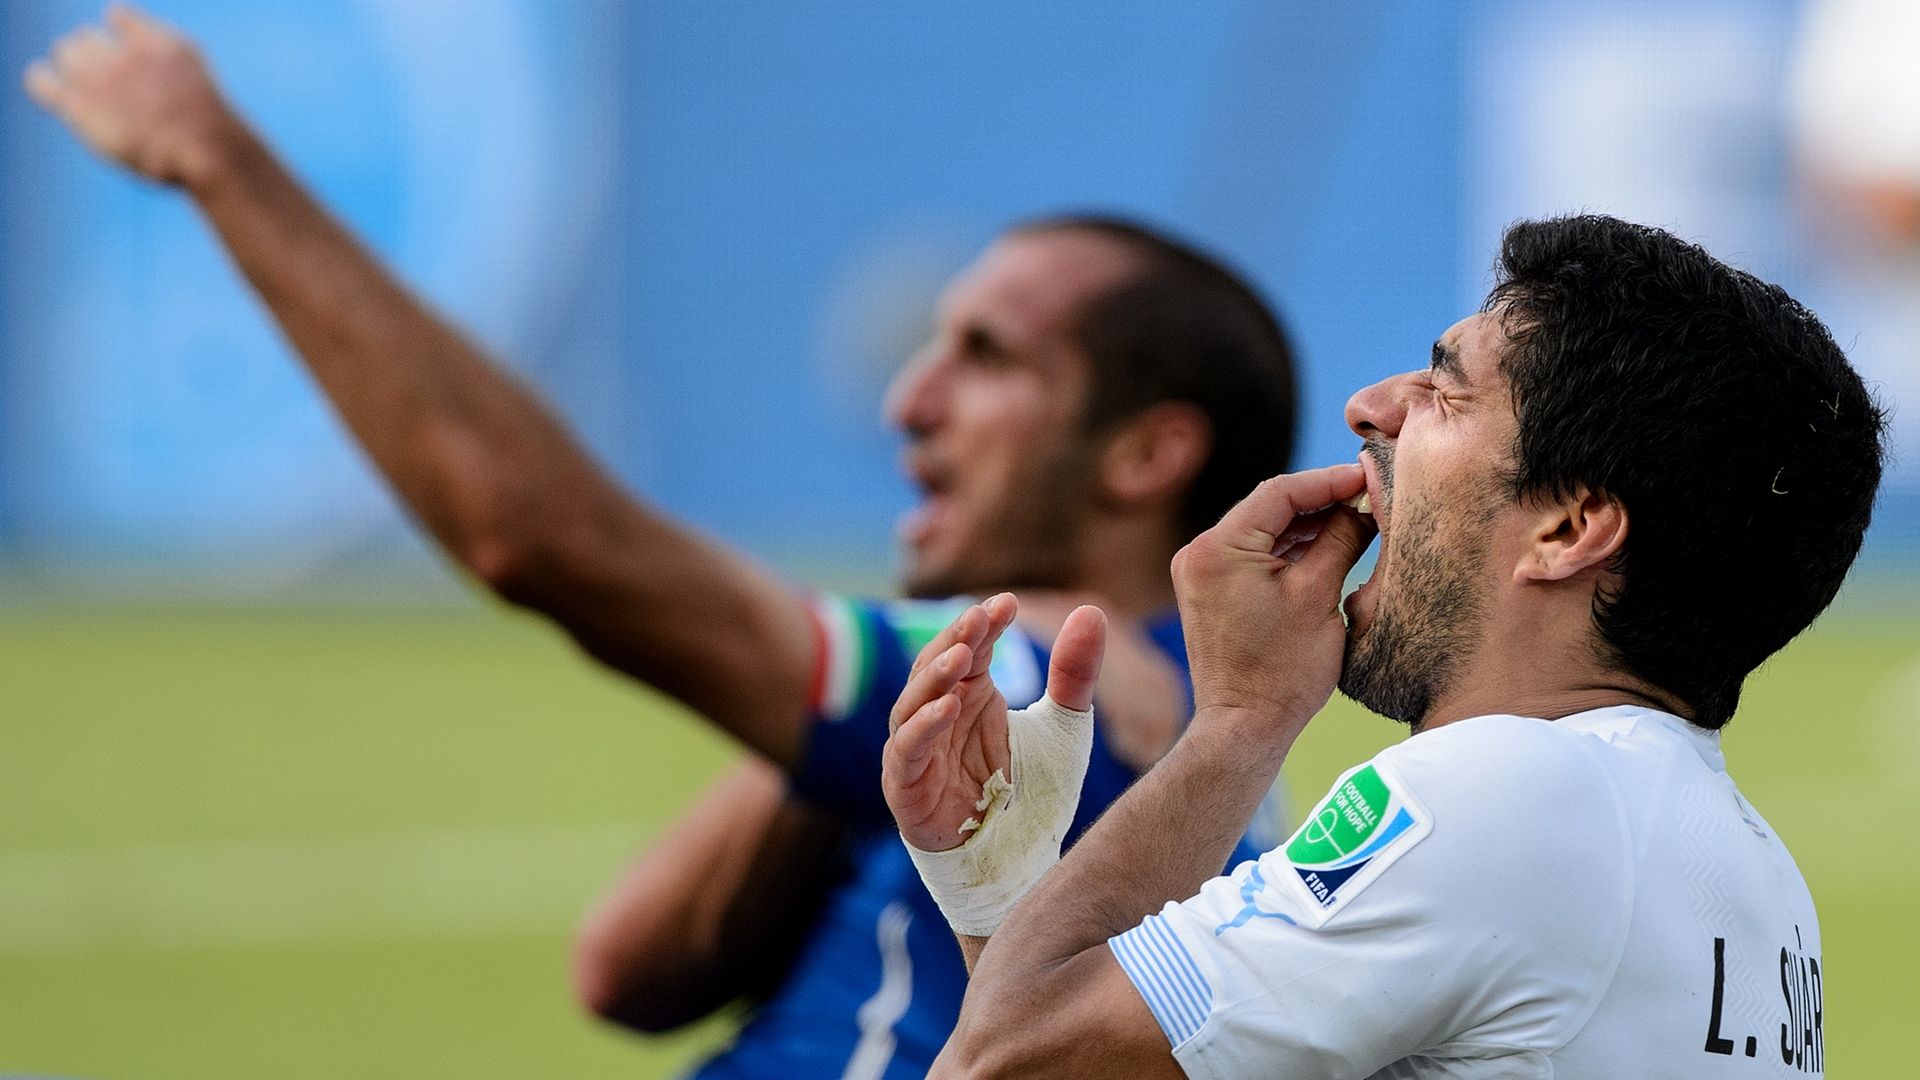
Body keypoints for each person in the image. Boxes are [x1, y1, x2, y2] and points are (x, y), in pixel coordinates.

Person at [22, 7, 1301, 1078]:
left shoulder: (1044, 679)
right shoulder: (1180, 751)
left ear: (1147, 455)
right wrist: (854, 747)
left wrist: (219, 161)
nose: (908, 402)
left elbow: (544, 541)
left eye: (986, 357)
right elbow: (626, 971)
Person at [881, 214, 1884, 1078]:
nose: (1371, 409)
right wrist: (1003, 902)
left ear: (1569, 529)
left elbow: (1000, 1063)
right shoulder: (1757, 880)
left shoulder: (1510, 796)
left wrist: (1240, 721)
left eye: (1445, 392)